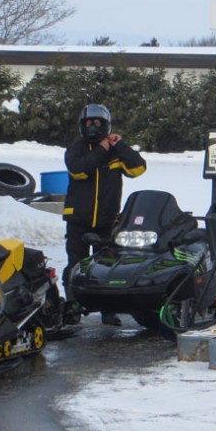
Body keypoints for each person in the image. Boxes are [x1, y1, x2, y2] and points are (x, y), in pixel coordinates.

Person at [62, 103, 147, 325]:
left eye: (97, 123)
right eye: (89, 123)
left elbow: (138, 169)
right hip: (78, 219)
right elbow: (80, 171)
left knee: (107, 268)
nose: (93, 127)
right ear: (82, 126)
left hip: (107, 220)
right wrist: (102, 150)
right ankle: (73, 306)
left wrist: (122, 146)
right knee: (76, 264)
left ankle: (107, 310)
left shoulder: (115, 152)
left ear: (106, 125)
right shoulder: (75, 149)